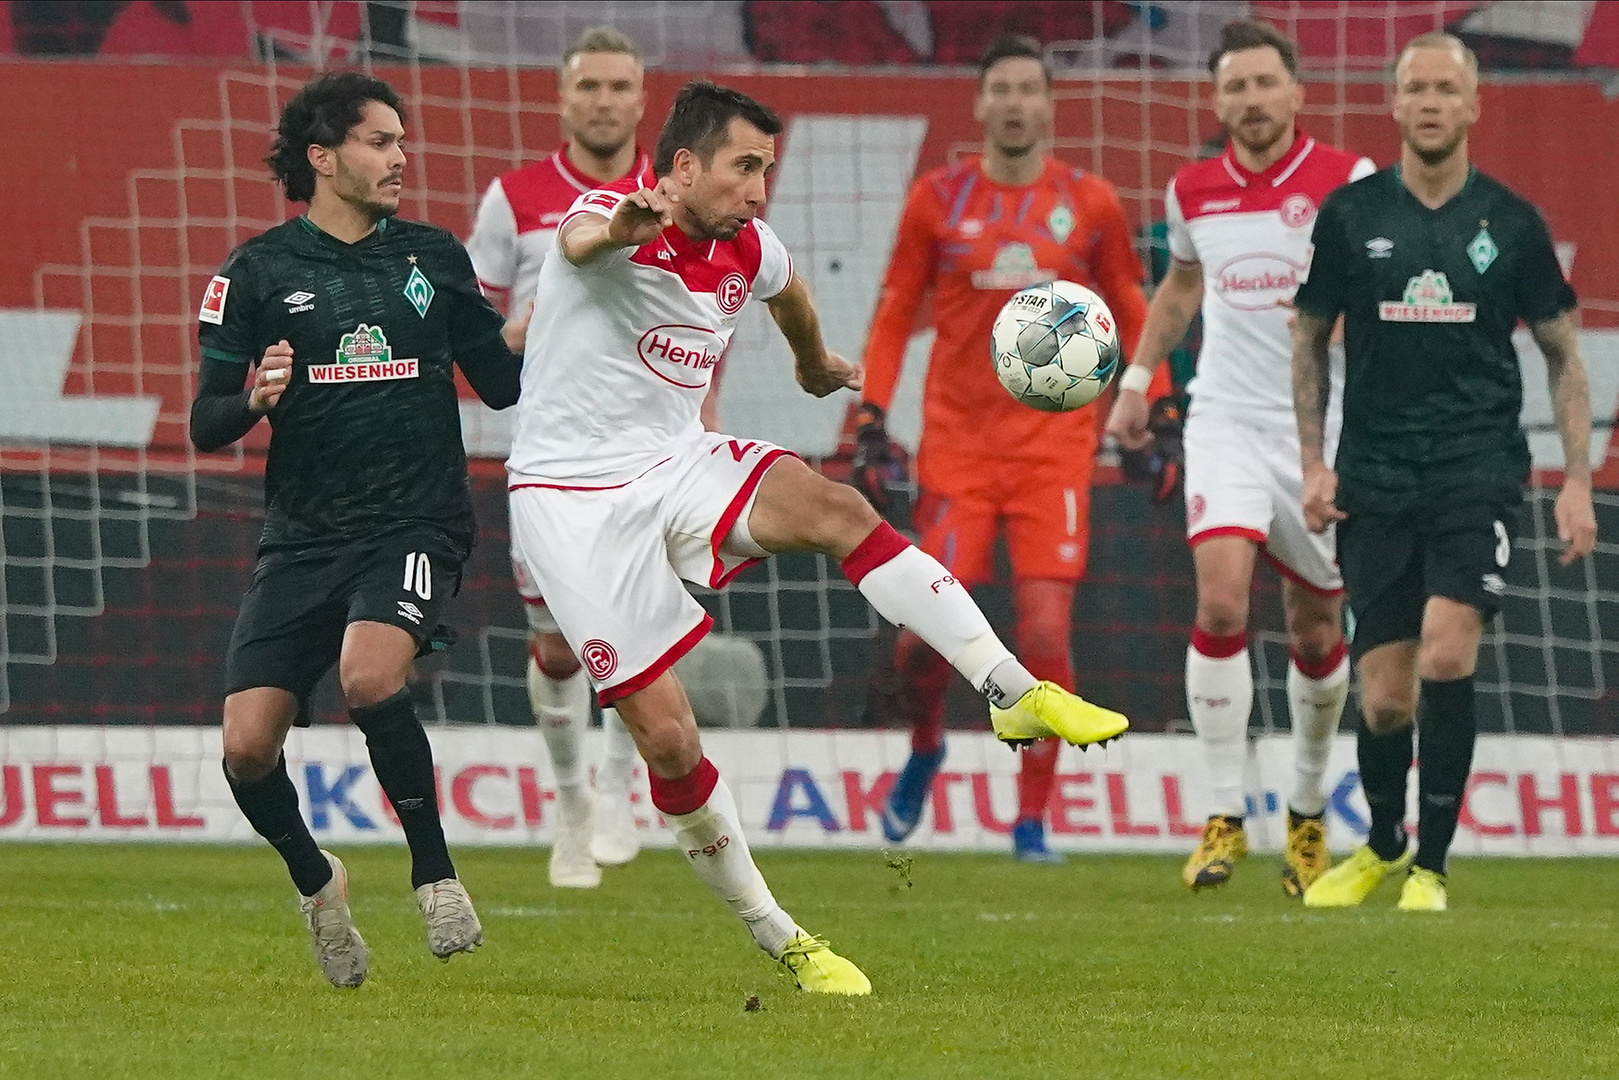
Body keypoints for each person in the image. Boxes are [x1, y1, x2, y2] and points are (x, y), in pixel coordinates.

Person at [507, 81, 1130, 994]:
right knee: (670, 743)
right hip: (570, 499)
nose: (760, 189)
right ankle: (780, 937)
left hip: (674, 461)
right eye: (743, 168)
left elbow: (786, 287)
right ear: (682, 167)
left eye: (768, 168)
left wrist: (811, 361)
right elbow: (581, 238)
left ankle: (1009, 690)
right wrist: (625, 227)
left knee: (839, 509)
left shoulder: (748, 246)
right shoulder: (607, 215)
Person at [190, 72, 528, 986]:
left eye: (402, 141)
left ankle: (436, 876)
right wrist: (253, 397)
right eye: (381, 141)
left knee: (368, 674)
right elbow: (204, 420)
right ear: (323, 157)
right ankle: (317, 883)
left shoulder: (432, 256)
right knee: (247, 746)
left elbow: (500, 382)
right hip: (302, 535)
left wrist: (561, 306)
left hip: (413, 520)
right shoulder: (254, 272)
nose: (400, 157)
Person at [1292, 33, 1595, 912]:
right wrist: (1312, 464)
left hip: (1476, 469)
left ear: (1471, 107)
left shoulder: (1512, 222)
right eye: (1412, 87)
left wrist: (1574, 480)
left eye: (1443, 89)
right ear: (1392, 104)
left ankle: (1430, 867)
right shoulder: (1350, 218)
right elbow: (1307, 338)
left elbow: (1563, 356)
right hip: (1373, 477)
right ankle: (1382, 843)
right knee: (1383, 698)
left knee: (1447, 650)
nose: (1427, 102)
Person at [855, 34, 1148, 862]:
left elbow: (1129, 298)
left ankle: (1030, 821)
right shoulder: (935, 201)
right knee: (921, 639)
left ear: (1048, 102)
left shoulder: (1088, 203)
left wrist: (1147, 404)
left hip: (1054, 454)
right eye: (1001, 89)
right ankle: (924, 748)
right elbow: (892, 309)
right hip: (956, 451)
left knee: (1045, 632)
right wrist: (872, 415)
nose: (1016, 103)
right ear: (979, 105)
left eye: (1029, 88)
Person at [1105, 19, 1374, 895]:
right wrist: (1139, 379)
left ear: (1296, 94)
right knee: (1220, 604)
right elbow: (1182, 283)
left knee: (1315, 627)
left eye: (1265, 84)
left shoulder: (1349, 182)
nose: (1251, 101)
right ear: (1216, 100)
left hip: (1318, 434)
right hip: (1222, 420)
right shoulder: (1193, 188)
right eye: (1235, 87)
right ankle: (1222, 814)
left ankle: (1303, 809)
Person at [466, 25, 655, 889]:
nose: (605, 101)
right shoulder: (516, 198)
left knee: (640, 628)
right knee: (556, 645)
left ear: (641, 99)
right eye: (590, 87)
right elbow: (475, 333)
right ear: (563, 97)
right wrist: (531, 324)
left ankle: (617, 786)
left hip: (652, 448)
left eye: (620, 86)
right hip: (546, 450)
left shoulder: (672, 189)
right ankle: (571, 799)